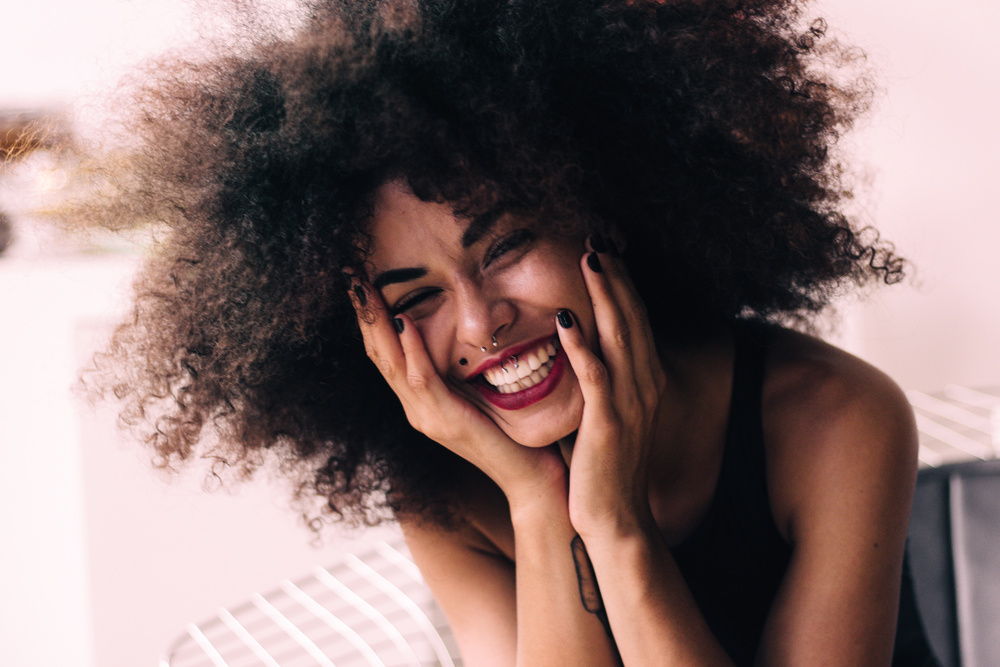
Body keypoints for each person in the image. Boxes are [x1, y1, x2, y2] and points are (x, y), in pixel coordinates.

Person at [80, 0, 941, 664]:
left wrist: (614, 523)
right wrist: (539, 502)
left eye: (506, 246)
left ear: (599, 211)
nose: (481, 322)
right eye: (413, 296)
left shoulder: (835, 420)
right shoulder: (451, 497)